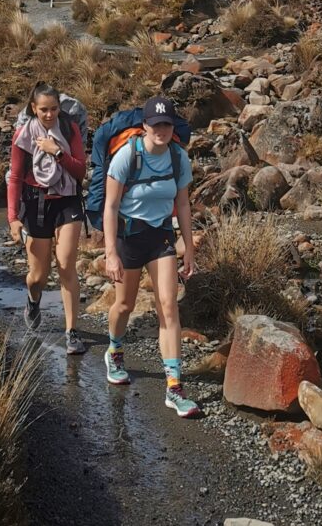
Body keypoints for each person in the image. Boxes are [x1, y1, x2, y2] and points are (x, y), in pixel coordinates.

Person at [102, 95, 200, 418]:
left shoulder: (177, 158)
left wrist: (189, 248)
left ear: (173, 127)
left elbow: (183, 205)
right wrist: (111, 253)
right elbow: (111, 206)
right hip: (129, 236)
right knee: (125, 305)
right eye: (156, 124)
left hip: (160, 236)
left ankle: (174, 387)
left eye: (167, 124)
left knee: (169, 307)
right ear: (145, 125)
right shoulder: (126, 156)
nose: (161, 129)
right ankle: (115, 350)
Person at [7, 82, 88, 354]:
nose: (50, 115)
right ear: (34, 108)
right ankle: (33, 299)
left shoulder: (70, 129)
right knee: (38, 277)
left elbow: (80, 172)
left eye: (54, 109)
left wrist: (58, 152)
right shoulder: (24, 135)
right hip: (35, 202)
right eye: (44, 110)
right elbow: (16, 178)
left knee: (66, 264)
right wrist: (13, 219)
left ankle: (72, 332)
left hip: (67, 201)